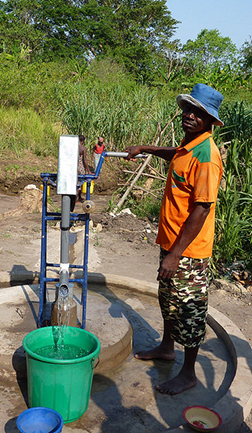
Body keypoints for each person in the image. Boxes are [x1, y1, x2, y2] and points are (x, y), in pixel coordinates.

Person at [125, 83, 224, 395]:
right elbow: (175, 156)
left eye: (199, 113)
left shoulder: (207, 155)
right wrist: (147, 148)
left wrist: (175, 254)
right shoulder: (190, 144)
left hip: (188, 251)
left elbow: (202, 209)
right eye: (188, 109)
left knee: (190, 309)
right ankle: (167, 347)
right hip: (172, 243)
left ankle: (189, 372)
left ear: (210, 121)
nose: (189, 115)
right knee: (168, 298)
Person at [77, 134, 92, 203]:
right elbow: (84, 160)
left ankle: (78, 197)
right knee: (81, 181)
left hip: (73, 166)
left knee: (75, 182)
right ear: (82, 141)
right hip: (80, 166)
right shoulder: (83, 148)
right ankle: (77, 197)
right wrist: (88, 170)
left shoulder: (73, 146)